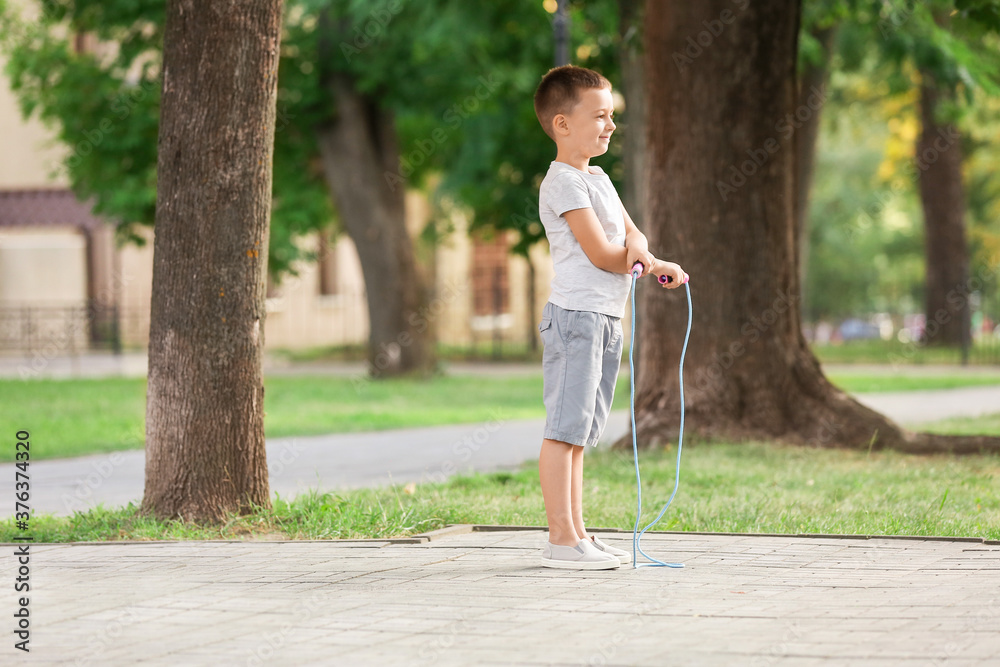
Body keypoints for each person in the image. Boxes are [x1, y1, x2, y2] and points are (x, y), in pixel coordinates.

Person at [533, 65, 688, 570]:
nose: (610, 125)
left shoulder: (598, 179)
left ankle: (579, 533)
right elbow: (604, 252)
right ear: (562, 124)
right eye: (599, 116)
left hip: (603, 319)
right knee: (563, 430)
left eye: (612, 116)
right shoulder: (562, 184)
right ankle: (561, 539)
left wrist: (654, 260)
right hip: (576, 318)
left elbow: (632, 236)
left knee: (581, 431)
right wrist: (634, 254)